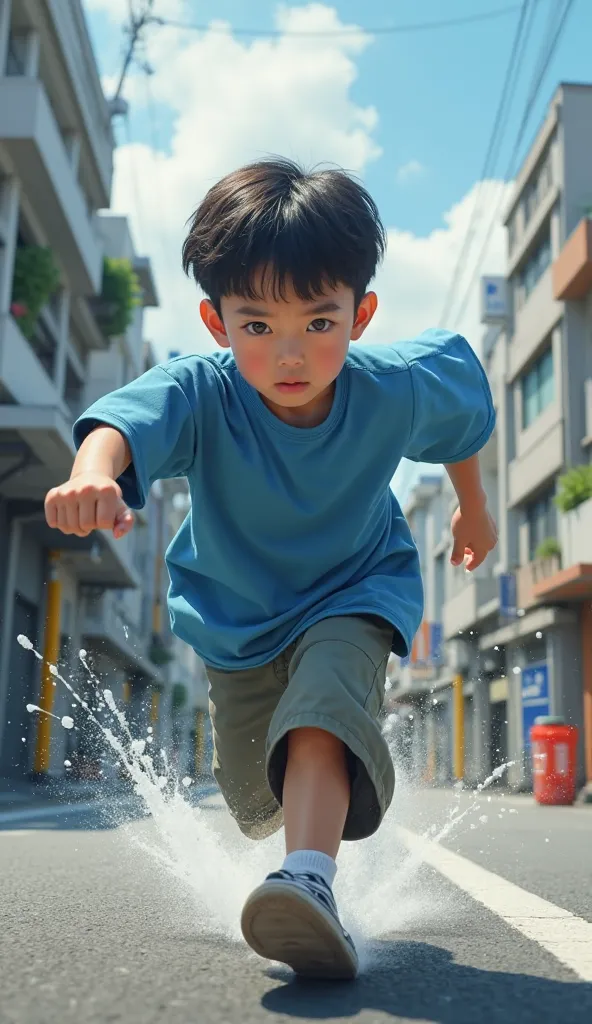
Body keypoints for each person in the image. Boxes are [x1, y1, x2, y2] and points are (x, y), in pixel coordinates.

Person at [45, 158, 497, 980]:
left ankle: (308, 882)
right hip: (241, 614)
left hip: (359, 584)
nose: (290, 354)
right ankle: (296, 850)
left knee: (320, 710)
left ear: (359, 315)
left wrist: (473, 506)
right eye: (258, 327)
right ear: (218, 323)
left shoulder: (391, 385)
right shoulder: (204, 391)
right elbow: (123, 422)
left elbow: (463, 407)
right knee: (258, 790)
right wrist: (92, 472)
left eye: (318, 324)